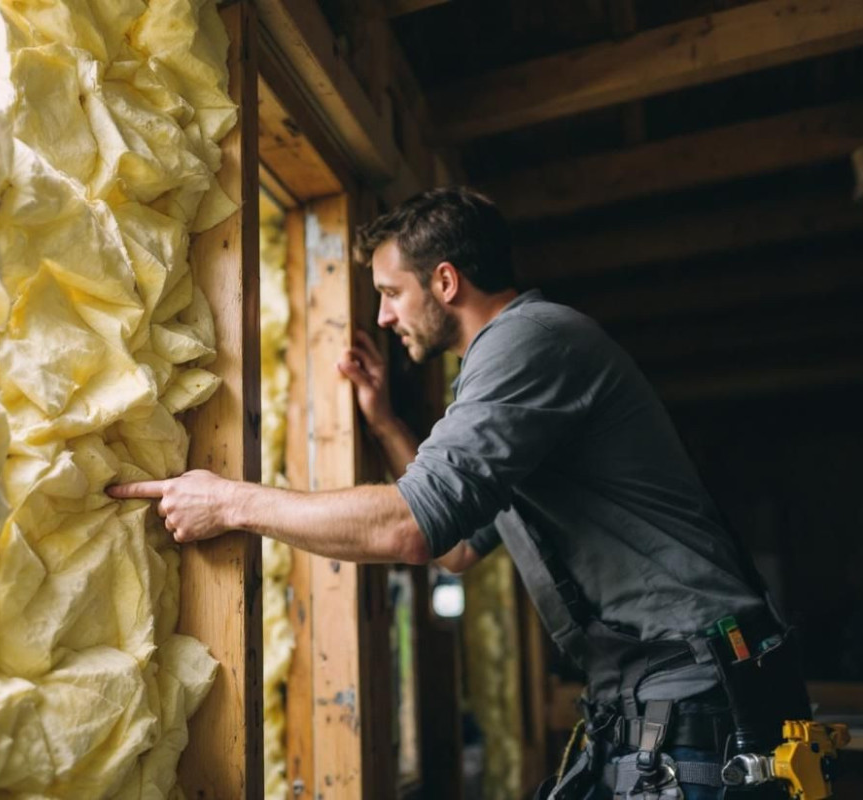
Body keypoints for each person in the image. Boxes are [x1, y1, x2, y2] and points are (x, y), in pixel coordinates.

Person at [107, 188, 810, 799]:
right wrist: (385, 426)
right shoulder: (522, 374)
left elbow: (413, 528)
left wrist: (228, 501)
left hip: (695, 692)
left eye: (389, 292)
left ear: (444, 282)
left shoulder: (528, 342)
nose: (383, 316)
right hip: (666, 692)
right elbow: (456, 550)